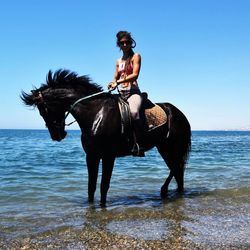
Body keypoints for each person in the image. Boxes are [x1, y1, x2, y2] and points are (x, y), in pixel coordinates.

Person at [108, 31, 145, 157]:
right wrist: (112, 83)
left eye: (127, 42)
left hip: (133, 92)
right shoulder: (118, 61)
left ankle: (140, 144)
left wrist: (118, 81)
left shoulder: (136, 57)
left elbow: (135, 74)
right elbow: (115, 77)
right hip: (121, 93)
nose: (125, 44)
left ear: (131, 43)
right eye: (122, 43)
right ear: (118, 44)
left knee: (134, 112)